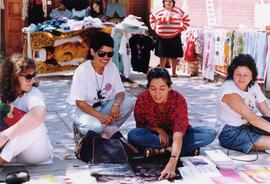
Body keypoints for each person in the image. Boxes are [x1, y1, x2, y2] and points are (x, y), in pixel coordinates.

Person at [127, 67, 216, 180]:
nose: (157, 94)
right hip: (155, 136)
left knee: (209, 133)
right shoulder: (142, 98)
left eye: (162, 88)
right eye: (153, 88)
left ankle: (162, 150)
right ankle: (180, 149)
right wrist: (159, 130)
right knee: (134, 135)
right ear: (148, 88)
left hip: (179, 135)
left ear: (169, 87)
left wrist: (172, 161)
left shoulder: (178, 100)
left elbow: (178, 135)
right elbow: (141, 125)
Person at [67, 31, 134, 142]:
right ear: (92, 52)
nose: (106, 57)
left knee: (128, 103)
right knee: (95, 127)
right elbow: (80, 102)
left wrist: (116, 104)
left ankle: (103, 131)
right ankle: (80, 129)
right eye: (102, 54)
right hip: (81, 109)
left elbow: (120, 92)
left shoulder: (112, 67)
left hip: (101, 107)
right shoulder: (82, 71)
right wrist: (100, 117)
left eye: (110, 54)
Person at [0, 54, 53, 168]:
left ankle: (1, 160)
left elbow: (39, 114)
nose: (32, 80)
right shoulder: (3, 92)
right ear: (13, 77)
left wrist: (4, 136)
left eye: (34, 75)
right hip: (15, 151)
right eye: (28, 77)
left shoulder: (33, 93)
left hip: (36, 153)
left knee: (33, 123)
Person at [216, 54, 270, 154]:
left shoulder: (253, 85)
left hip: (249, 127)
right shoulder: (229, 90)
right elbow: (252, 118)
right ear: (232, 73)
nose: (241, 79)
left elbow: (266, 111)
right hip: (230, 133)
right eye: (238, 74)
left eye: (246, 75)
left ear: (252, 76)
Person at [150, 0, 190, 77]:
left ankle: (174, 73)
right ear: (164, 2)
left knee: (174, 56)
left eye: (170, 1)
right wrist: (155, 27)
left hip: (174, 36)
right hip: (162, 37)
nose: (168, 3)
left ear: (173, 3)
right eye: (166, 1)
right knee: (162, 55)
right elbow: (152, 18)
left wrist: (181, 29)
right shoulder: (159, 10)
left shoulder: (178, 11)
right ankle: (162, 73)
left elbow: (186, 20)